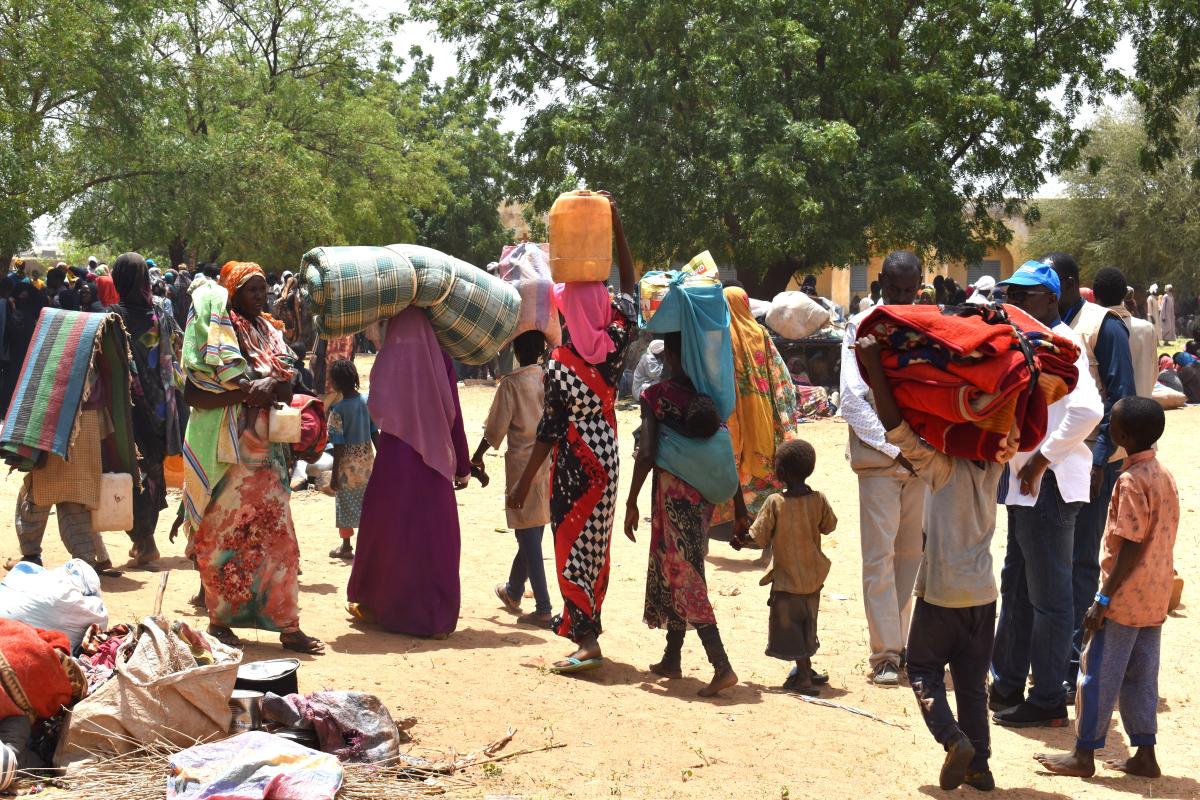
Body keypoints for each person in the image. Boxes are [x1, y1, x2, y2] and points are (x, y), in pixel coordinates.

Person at [858, 333, 1018, 793]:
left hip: (943, 593)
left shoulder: (939, 466)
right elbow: (1007, 426)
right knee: (971, 684)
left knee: (924, 669)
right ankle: (981, 768)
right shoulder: (993, 467)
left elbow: (896, 427)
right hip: (984, 595)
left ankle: (953, 741)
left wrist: (875, 364)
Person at [508, 191, 637, 673]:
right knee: (595, 545)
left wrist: (522, 486)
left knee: (569, 542)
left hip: (576, 462)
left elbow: (549, 430)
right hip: (608, 450)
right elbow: (632, 282)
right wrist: (615, 222)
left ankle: (586, 639)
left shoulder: (559, 365)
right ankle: (587, 627)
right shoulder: (617, 340)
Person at [1034, 397, 1178, 780]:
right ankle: (1144, 752)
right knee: (1142, 675)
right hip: (1154, 595)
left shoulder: (1130, 480)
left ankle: (1084, 754)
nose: (1105, 430)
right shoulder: (1162, 474)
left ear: (1124, 436)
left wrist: (1102, 599)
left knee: (1097, 671)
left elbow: (1129, 544)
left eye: (1110, 425)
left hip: (1124, 598)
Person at [183, 260, 323, 654]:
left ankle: (288, 626)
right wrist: (245, 393)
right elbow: (193, 393)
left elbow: (288, 383)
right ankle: (221, 620)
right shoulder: (216, 332)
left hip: (268, 456)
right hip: (228, 458)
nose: (261, 296)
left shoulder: (267, 330)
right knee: (221, 537)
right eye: (252, 290)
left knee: (279, 541)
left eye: (264, 289)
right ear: (232, 292)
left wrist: (272, 383)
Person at [989, 262, 1103, 729]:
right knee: (1016, 587)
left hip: (1047, 486)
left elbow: (1089, 411)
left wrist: (1041, 460)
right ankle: (1009, 682)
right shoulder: (1030, 339)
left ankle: (1049, 697)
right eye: (1011, 292)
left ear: (1050, 300)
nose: (1014, 300)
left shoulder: (1062, 341)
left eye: (1025, 294)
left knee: (1050, 597)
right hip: (1027, 486)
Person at [625, 331, 748, 697]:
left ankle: (721, 664)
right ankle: (672, 656)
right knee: (676, 565)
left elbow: (646, 452)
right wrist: (740, 510)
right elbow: (722, 454)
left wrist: (630, 500)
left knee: (684, 572)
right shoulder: (705, 398)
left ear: (674, 358)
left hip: (673, 496)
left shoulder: (655, 397)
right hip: (701, 500)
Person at [1042, 251, 1136, 696]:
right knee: (1048, 564)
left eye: (1050, 279)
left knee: (1081, 564)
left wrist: (1099, 460)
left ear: (1069, 282)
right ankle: (1049, 657)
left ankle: (1071, 663)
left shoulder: (1103, 325)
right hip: (1052, 464)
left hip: (1095, 468)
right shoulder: (1042, 323)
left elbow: (1123, 400)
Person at [346, 307, 471, 638]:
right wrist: (462, 464)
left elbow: (376, 405)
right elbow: (454, 414)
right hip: (434, 464)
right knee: (434, 540)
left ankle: (380, 604)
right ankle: (434, 618)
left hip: (394, 462)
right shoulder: (441, 358)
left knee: (388, 534)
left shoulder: (389, 358)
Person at [839, 251, 924, 686]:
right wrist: (896, 448)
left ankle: (902, 643)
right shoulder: (860, 327)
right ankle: (885, 655)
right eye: (896, 290)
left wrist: (919, 451)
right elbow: (852, 399)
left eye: (911, 290)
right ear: (880, 284)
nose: (904, 298)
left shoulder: (927, 325)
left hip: (923, 464)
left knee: (911, 557)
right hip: (880, 461)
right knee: (879, 558)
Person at [474, 330, 554, 628]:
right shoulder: (548, 378)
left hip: (523, 463)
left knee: (528, 533)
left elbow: (495, 428)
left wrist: (477, 455)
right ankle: (514, 590)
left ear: (517, 351)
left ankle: (544, 606)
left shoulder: (512, 384)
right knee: (532, 527)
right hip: (548, 460)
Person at [109, 253, 183, 567]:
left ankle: (145, 540)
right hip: (161, 408)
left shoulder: (111, 317)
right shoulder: (160, 314)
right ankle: (144, 538)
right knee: (152, 472)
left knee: (128, 472)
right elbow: (176, 352)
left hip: (125, 410)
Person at [748, 439, 836, 696]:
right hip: (812, 577)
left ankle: (804, 679)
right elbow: (829, 525)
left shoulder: (775, 503)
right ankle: (806, 669)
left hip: (787, 581)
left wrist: (740, 540)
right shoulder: (818, 499)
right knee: (808, 623)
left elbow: (759, 536)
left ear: (781, 473)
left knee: (791, 628)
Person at [723, 286, 798, 517]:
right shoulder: (760, 333)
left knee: (731, 460)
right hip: (761, 412)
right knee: (762, 457)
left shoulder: (720, 336)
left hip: (731, 411)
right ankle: (764, 527)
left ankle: (733, 521)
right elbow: (780, 374)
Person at [326, 359, 378, 561]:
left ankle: (346, 546)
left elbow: (338, 445)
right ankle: (369, 545)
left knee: (345, 504)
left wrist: (334, 476)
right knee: (368, 504)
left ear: (336, 383)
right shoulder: (366, 402)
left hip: (347, 467)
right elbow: (375, 433)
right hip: (367, 464)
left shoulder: (337, 411)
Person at [1094, 268, 1157, 398]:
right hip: (1145, 409)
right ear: (1124, 294)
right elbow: (1154, 373)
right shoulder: (1147, 329)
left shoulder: (1094, 329)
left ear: (1095, 296)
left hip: (1113, 413)